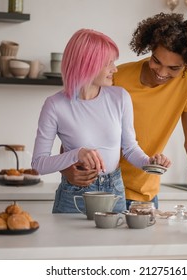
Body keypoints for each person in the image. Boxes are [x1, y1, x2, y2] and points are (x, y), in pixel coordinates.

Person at [61, 13, 187, 213]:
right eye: (156, 61)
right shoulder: (118, 79)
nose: (161, 72)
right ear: (150, 49)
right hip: (104, 190)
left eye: (173, 68)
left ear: (186, 65)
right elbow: (75, 128)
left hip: (146, 197)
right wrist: (67, 170)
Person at [31, 28, 171, 214]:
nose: (115, 69)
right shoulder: (55, 105)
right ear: (87, 64)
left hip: (114, 192)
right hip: (74, 197)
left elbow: (130, 149)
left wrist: (150, 162)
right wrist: (76, 154)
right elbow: (39, 164)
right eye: (108, 63)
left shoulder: (120, 97)